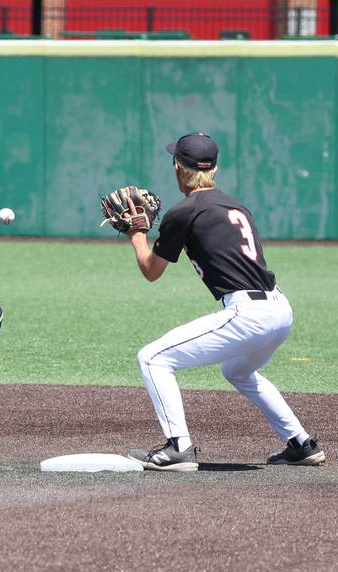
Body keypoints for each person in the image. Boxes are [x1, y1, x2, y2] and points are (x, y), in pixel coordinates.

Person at [124, 132, 325, 472]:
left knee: (153, 358)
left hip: (249, 314)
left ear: (177, 168)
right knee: (239, 370)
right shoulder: (235, 205)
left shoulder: (184, 211)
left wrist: (137, 235)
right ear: (214, 169)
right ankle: (301, 444)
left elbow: (151, 270)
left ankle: (178, 447)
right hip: (279, 309)